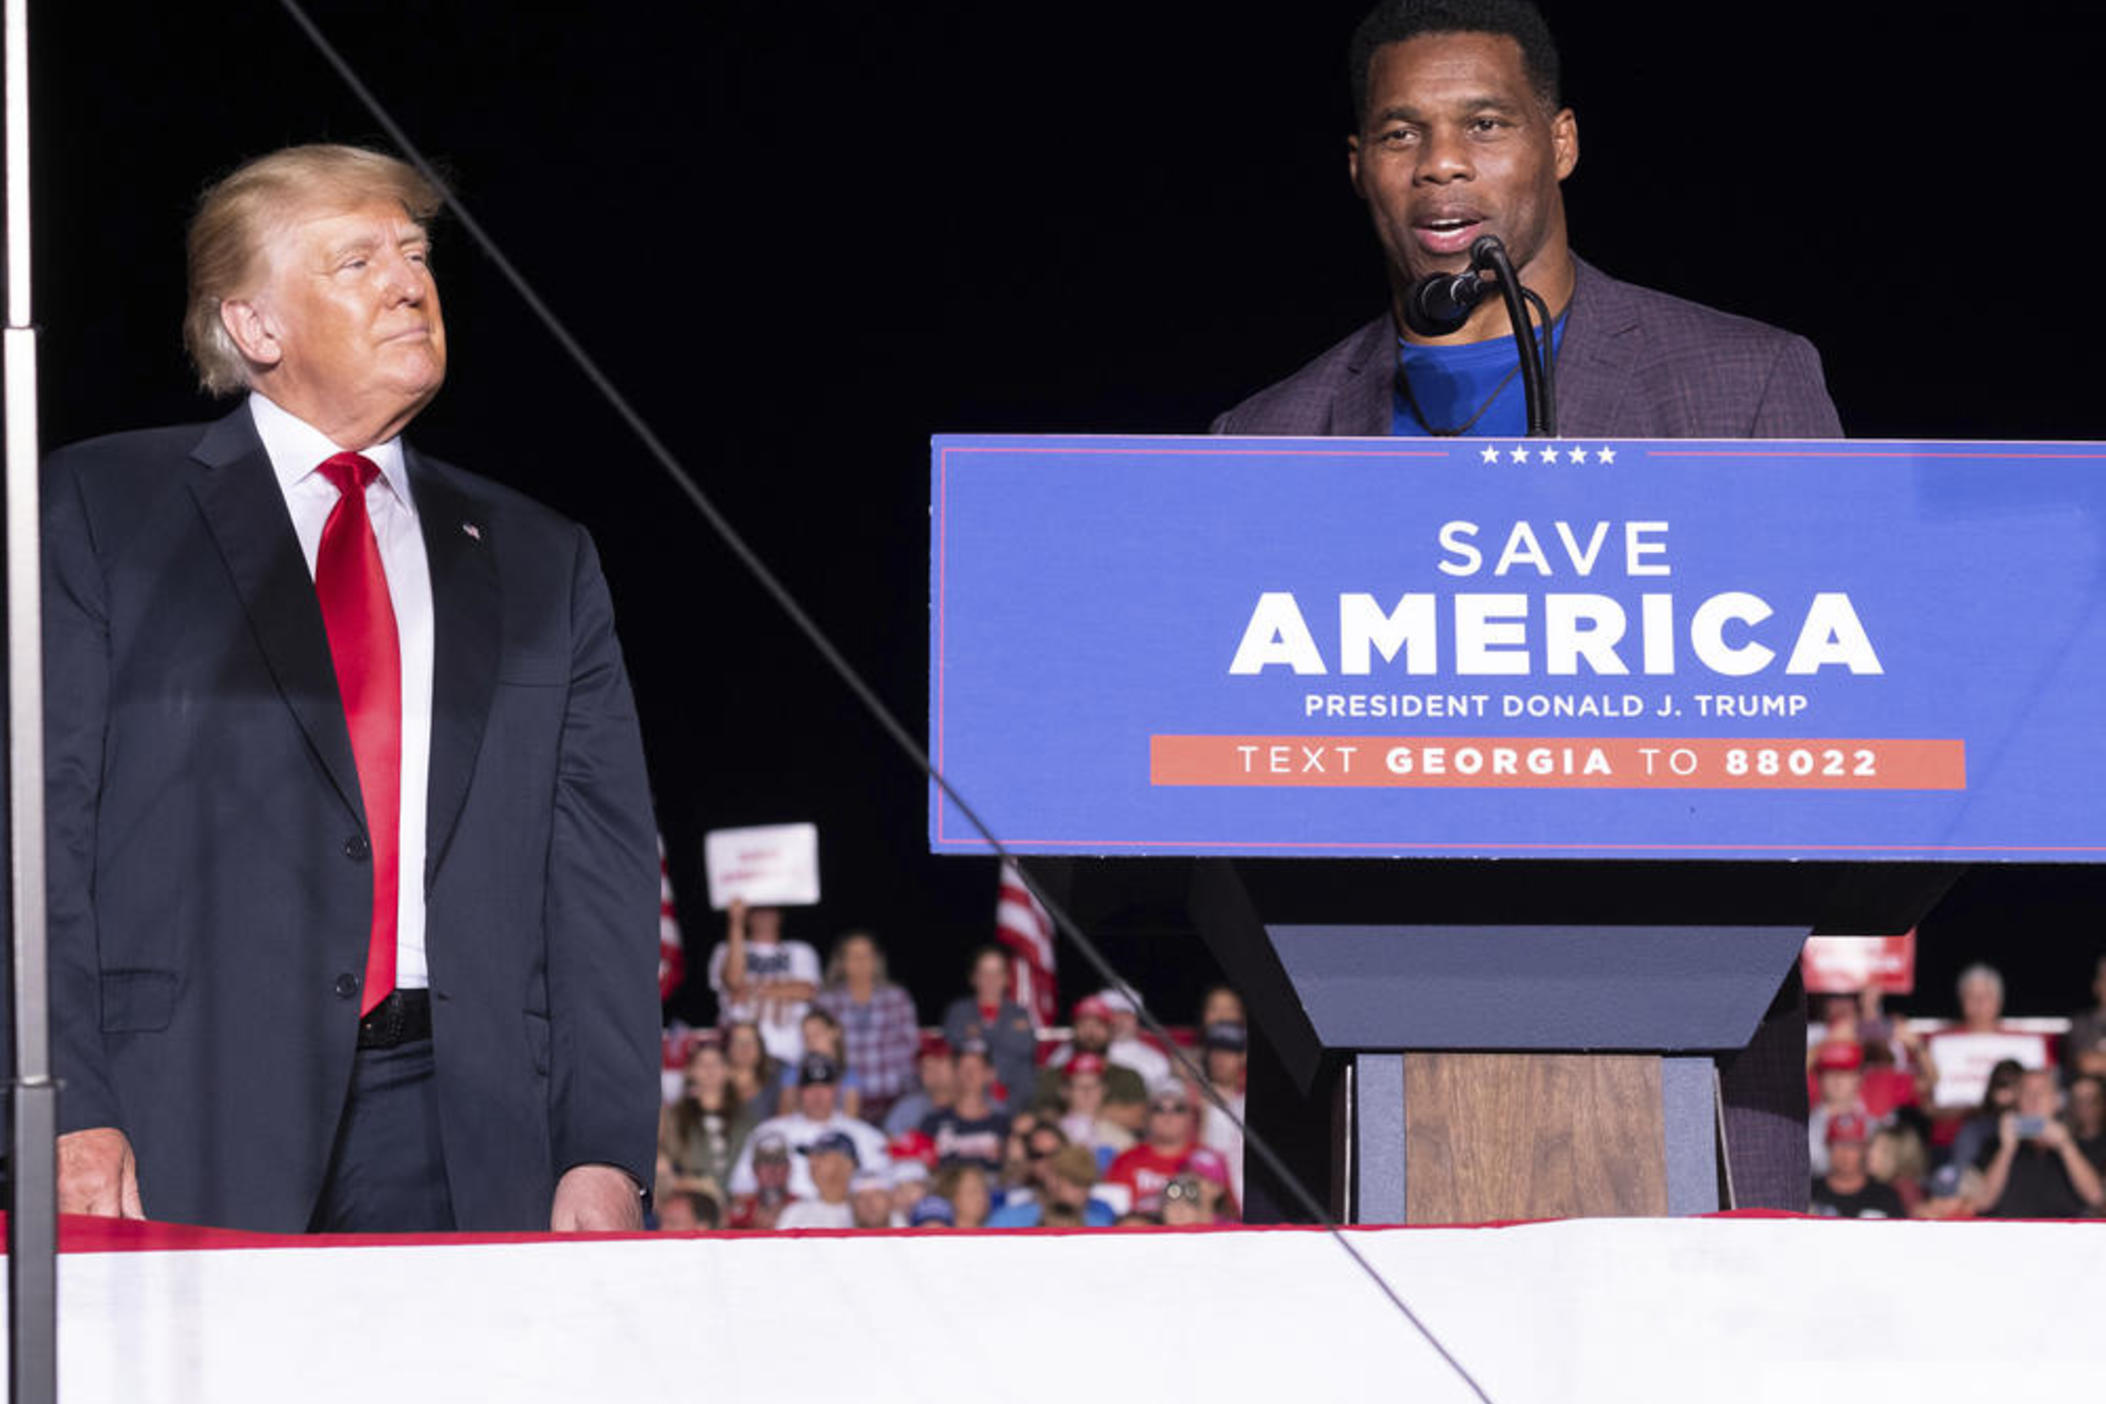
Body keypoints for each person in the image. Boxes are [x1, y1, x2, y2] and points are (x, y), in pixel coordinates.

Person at [1208, 0, 1842, 1213]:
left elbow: (1835, 706)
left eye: (1483, 124)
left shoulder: (1742, 387)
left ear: (1558, 143)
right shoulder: (1266, 441)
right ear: (1360, 169)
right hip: (1351, 1091)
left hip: (1684, 1072)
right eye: (1402, 134)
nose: (1442, 162)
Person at [43, 144, 660, 1233]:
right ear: (256, 327)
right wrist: (64, 1108)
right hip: (180, 1117)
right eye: (358, 260)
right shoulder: (103, 511)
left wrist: (605, 1149)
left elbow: (601, 879)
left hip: (473, 1138)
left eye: (416, 253)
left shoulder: (542, 557)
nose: (408, 281)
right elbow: (38, 836)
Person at [727, 1052, 887, 1200]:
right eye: (810, 1087)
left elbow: (884, 1188)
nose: (818, 1095)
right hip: (787, 1220)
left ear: (837, 1090)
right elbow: (741, 1186)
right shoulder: (768, 1132)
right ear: (799, 1091)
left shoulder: (865, 1135)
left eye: (825, 1087)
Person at [814, 930, 921, 1121]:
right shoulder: (827, 1002)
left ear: (876, 960)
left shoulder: (897, 998)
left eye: (866, 955)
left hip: (892, 1100)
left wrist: (908, 1096)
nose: (860, 962)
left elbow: (911, 1048)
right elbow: (820, 1052)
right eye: (853, 956)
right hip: (844, 1101)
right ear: (841, 962)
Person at [1969, 1070, 2106, 1218]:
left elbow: (2096, 1197)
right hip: (2010, 1234)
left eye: (2042, 1092)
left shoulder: (2082, 1144)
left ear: (2056, 1101)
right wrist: (2006, 1150)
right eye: (2027, 1093)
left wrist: (2066, 1146)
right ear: (2017, 1101)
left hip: (2066, 1235)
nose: (2035, 1100)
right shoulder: (1995, 1145)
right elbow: (1981, 1202)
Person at [708, 900, 820, 1064]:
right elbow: (733, 982)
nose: (764, 916)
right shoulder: (725, 949)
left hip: (790, 1054)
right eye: (757, 911)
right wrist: (735, 923)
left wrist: (750, 991)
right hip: (740, 1055)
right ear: (748, 916)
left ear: (780, 916)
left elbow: (806, 991)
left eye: (770, 911)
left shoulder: (800, 950)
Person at [658, 1037, 760, 1202]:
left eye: (716, 1064)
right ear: (691, 1071)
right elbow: (662, 1166)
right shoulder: (674, 1117)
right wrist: (692, 1184)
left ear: (727, 1070)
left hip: (740, 1204)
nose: (709, 1070)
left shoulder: (747, 1119)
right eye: (702, 1064)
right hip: (692, 1202)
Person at [940, 947, 1040, 1104]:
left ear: (1006, 979)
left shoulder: (1019, 1014)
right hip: (965, 1097)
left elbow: (1026, 1048)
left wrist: (982, 1035)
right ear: (974, 978)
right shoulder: (959, 1012)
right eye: (984, 973)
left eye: (997, 973)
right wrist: (1003, 1037)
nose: (991, 979)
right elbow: (955, 1048)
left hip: (1014, 1098)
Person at [1105, 1080, 1204, 1210]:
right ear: (1148, 1116)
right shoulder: (1125, 1161)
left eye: (1178, 1109)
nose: (1168, 1116)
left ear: (1191, 1116)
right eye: (1159, 1109)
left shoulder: (1205, 1161)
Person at [920, 1040, 1011, 1173]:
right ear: (955, 1074)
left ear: (990, 1074)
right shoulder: (932, 1123)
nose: (969, 1075)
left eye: (976, 1069)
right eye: (963, 1068)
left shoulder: (1004, 1125)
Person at [986, 1144, 1116, 1228]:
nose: (1083, 1192)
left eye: (1087, 1184)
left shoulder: (1100, 1226)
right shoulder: (1009, 1221)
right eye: (1075, 1182)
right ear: (1052, 1179)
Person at [772, 1007, 864, 1120]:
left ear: (834, 1032)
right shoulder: (794, 1072)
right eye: (806, 1037)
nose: (811, 1041)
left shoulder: (848, 1074)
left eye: (816, 1034)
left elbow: (851, 1118)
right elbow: (784, 1116)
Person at [1809, 1114, 1905, 1219]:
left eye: (1852, 1145)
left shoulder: (1884, 1196)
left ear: (1864, 1149)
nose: (1845, 1154)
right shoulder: (1810, 1192)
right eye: (1838, 1145)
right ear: (1828, 1147)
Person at [776, 1132, 860, 1230]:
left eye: (822, 1156)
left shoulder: (867, 1211)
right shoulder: (796, 1212)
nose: (813, 1162)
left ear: (848, 1164)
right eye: (810, 1157)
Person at [882, 1038, 958, 1137]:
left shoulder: (977, 1103)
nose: (934, 1072)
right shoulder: (907, 1109)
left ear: (956, 1067)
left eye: (939, 1063)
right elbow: (889, 1142)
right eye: (926, 1067)